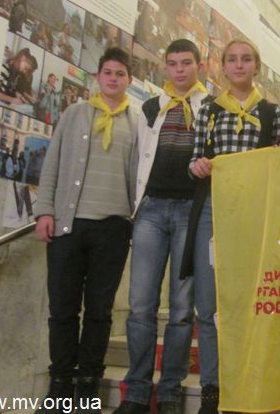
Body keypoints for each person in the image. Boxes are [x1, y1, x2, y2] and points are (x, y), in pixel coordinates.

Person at [34, 47, 137, 413]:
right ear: (98, 76)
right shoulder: (75, 114)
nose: (113, 78)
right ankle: (60, 386)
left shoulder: (137, 122)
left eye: (120, 73)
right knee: (62, 309)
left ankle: (88, 388)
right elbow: (52, 165)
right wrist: (44, 210)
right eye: (107, 72)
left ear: (129, 80)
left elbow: (139, 177)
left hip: (113, 228)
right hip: (68, 226)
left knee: (99, 311)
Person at [187, 39, 280, 414]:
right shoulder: (209, 110)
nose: (239, 65)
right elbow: (195, 158)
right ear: (223, 67)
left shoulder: (272, 113)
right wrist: (198, 166)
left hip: (255, 213)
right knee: (208, 305)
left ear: (256, 66)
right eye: (232, 59)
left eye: (246, 59)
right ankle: (212, 388)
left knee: (249, 301)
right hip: (213, 209)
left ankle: (246, 385)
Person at [115, 39, 211, 414]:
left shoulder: (211, 107)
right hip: (151, 210)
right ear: (165, 68)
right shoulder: (151, 107)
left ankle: (170, 390)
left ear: (199, 66)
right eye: (172, 64)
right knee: (140, 305)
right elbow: (138, 158)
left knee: (182, 308)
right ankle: (137, 391)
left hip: (191, 211)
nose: (179, 70)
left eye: (186, 63)